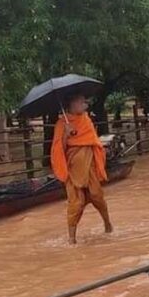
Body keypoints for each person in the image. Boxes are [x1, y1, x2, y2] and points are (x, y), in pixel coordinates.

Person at [51, 94, 113, 244]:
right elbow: (58, 149)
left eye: (83, 100)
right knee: (76, 203)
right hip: (73, 170)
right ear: (70, 104)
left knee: (97, 196)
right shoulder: (61, 124)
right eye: (79, 101)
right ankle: (72, 238)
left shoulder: (87, 120)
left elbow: (94, 142)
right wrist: (66, 135)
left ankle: (107, 224)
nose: (83, 103)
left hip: (89, 166)